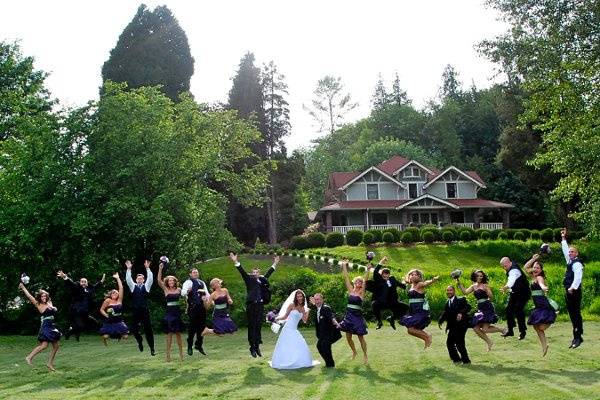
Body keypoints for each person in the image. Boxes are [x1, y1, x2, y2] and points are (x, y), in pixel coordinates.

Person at [230, 252, 279, 358]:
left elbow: (269, 273)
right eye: (253, 272)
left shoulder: (262, 280)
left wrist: (275, 263)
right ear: (251, 273)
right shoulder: (249, 280)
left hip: (260, 306)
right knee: (252, 326)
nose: (255, 273)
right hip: (251, 306)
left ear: (259, 273)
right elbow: (241, 271)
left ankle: (257, 346)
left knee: (258, 326)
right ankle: (252, 347)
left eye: (257, 272)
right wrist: (235, 261)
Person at [456, 270, 506, 351]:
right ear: (475, 277)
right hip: (480, 308)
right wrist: (459, 282)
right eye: (478, 276)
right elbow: (465, 292)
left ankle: (502, 330)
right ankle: (489, 342)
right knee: (475, 328)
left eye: (481, 276)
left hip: (487, 307)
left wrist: (488, 291)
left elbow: (491, 297)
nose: (479, 277)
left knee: (485, 329)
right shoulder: (474, 286)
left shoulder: (484, 285)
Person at [269, 289, 320, 369]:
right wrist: (275, 319)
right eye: (298, 296)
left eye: (301, 296)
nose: (300, 298)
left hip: (294, 329)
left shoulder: (303, 308)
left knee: (299, 343)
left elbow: (304, 321)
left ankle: (297, 361)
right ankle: (285, 361)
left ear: (303, 298)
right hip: (287, 328)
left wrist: (307, 312)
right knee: (286, 345)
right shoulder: (291, 305)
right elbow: (285, 316)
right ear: (295, 297)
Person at [18, 282, 61, 371]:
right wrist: (23, 287)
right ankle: (29, 357)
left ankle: (49, 363)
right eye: (42, 296)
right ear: (39, 298)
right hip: (46, 326)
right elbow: (29, 296)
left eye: (45, 296)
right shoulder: (38, 304)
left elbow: (50, 299)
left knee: (56, 346)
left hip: (52, 325)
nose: (44, 297)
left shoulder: (49, 302)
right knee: (44, 345)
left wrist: (53, 306)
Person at [56, 270, 105, 341]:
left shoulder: (90, 290)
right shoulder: (77, 288)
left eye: (85, 282)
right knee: (80, 325)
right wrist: (64, 276)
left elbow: (96, 286)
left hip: (85, 313)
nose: (83, 283)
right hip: (77, 312)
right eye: (82, 282)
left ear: (87, 283)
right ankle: (69, 332)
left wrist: (102, 281)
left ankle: (69, 332)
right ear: (80, 282)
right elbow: (71, 283)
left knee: (95, 322)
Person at [524, 254, 556, 356]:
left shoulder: (539, 277)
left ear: (541, 270)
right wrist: (533, 259)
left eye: (538, 267)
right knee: (535, 325)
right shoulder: (532, 277)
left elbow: (542, 284)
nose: (535, 269)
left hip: (543, 304)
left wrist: (544, 288)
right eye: (534, 267)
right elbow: (525, 268)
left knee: (541, 327)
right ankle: (544, 346)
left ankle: (554, 315)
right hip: (538, 305)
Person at [339, 260, 369, 364]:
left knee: (361, 337)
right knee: (348, 336)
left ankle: (365, 355)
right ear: (354, 282)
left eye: (360, 282)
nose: (358, 283)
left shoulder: (361, 293)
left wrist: (368, 270)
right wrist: (344, 266)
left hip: (357, 317)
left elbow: (365, 281)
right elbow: (346, 278)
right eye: (357, 281)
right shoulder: (351, 291)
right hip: (349, 316)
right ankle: (354, 352)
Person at [400, 269, 439, 349]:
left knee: (411, 329)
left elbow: (426, 283)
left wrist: (432, 280)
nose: (413, 276)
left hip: (420, 310)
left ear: (419, 276)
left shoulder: (420, 284)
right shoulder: (411, 285)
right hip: (413, 311)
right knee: (410, 330)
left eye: (415, 274)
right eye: (411, 274)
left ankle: (427, 337)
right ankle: (426, 338)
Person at [125, 259, 155, 356]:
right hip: (136, 311)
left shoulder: (147, 286)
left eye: (141, 278)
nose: (139, 279)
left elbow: (150, 278)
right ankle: (140, 341)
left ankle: (152, 348)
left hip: (145, 311)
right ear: (136, 280)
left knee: (148, 330)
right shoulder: (133, 286)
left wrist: (147, 268)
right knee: (134, 329)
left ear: (143, 280)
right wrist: (129, 269)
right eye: (138, 278)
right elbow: (128, 279)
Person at [368, 256, 407, 330]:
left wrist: (404, 281)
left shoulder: (392, 279)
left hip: (392, 302)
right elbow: (376, 271)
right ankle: (379, 322)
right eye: (384, 275)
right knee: (374, 304)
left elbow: (403, 286)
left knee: (405, 307)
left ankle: (391, 319)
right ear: (382, 274)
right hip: (382, 302)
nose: (385, 276)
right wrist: (382, 261)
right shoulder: (379, 279)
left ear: (389, 275)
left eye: (387, 275)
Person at [561, 228, 584, 348]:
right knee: (572, 315)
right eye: (570, 252)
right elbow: (565, 250)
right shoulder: (570, 261)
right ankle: (575, 337)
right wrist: (563, 238)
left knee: (575, 314)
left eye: (572, 252)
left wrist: (572, 288)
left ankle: (578, 337)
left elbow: (578, 278)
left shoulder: (577, 264)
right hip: (569, 291)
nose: (570, 253)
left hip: (574, 291)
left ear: (577, 253)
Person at [157, 262, 184, 362]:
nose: (171, 281)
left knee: (178, 334)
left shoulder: (179, 289)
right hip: (169, 313)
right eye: (169, 280)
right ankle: (168, 355)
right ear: (167, 282)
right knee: (169, 334)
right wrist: (160, 269)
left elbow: (186, 294)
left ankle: (181, 354)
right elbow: (159, 281)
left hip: (177, 313)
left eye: (173, 280)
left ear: (175, 281)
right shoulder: (166, 289)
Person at [499, 256, 531, 340]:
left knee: (518, 309)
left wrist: (506, 287)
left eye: (505, 266)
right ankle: (510, 330)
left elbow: (511, 280)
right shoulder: (510, 267)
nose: (504, 268)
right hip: (515, 292)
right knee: (508, 309)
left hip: (523, 293)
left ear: (510, 262)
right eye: (503, 267)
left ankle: (522, 331)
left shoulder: (514, 270)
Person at [438, 285, 471, 364]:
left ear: (454, 291)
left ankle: (466, 361)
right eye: (447, 290)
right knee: (449, 343)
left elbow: (468, 307)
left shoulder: (461, 299)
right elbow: (445, 313)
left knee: (459, 343)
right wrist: (440, 321)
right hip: (452, 327)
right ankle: (456, 359)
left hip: (461, 325)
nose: (449, 292)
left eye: (450, 290)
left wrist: (460, 313)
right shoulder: (447, 302)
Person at [181, 267, 209, 355]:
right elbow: (183, 292)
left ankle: (199, 345)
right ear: (190, 274)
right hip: (193, 308)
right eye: (194, 272)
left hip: (202, 308)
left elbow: (207, 294)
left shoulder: (202, 282)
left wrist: (210, 300)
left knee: (202, 328)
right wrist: (187, 291)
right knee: (192, 328)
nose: (196, 273)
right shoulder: (188, 282)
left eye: (197, 272)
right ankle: (189, 346)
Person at [310, 293, 341, 368]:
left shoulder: (326, 308)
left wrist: (336, 323)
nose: (317, 301)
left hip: (328, 333)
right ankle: (328, 363)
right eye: (316, 299)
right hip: (321, 334)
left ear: (322, 300)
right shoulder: (318, 309)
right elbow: (318, 307)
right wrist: (315, 303)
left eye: (318, 299)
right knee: (319, 346)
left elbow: (331, 317)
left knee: (325, 347)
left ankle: (330, 365)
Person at [99, 272, 129, 344]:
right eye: (113, 292)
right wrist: (106, 315)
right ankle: (104, 340)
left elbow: (121, 288)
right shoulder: (108, 300)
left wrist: (117, 278)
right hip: (110, 322)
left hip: (119, 321)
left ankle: (118, 336)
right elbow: (101, 309)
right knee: (106, 336)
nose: (115, 293)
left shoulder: (119, 300)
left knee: (126, 337)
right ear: (110, 294)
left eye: (116, 292)